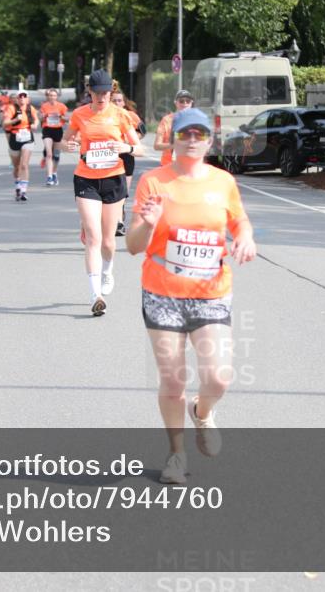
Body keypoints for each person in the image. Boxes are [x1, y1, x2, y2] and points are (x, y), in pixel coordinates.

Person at [125, 107, 256, 484]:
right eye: (186, 134)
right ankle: (176, 456)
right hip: (162, 294)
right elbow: (134, 246)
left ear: (210, 140)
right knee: (173, 381)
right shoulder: (154, 182)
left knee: (219, 377)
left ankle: (203, 410)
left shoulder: (222, 182)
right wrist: (147, 225)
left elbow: (238, 219)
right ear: (175, 139)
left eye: (201, 134)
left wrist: (245, 236)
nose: (194, 140)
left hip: (211, 294)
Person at [61, 69, 143, 316]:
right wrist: (69, 145)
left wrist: (125, 147)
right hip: (86, 178)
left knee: (108, 241)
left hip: (113, 179)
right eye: (96, 93)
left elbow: (139, 149)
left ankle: (107, 272)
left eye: (105, 92)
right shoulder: (79, 115)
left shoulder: (121, 115)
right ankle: (95, 294)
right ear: (89, 92)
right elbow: (65, 142)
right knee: (93, 238)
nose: (100, 97)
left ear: (111, 92)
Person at [111, 88, 146, 236]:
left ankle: (119, 220)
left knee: (123, 191)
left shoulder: (130, 115)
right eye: (114, 100)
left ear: (124, 102)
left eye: (120, 100)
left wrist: (129, 142)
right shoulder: (106, 115)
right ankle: (116, 220)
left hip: (127, 155)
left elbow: (142, 131)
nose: (117, 103)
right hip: (110, 156)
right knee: (113, 189)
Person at [5, 91, 39, 201]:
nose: (22, 99)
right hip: (15, 137)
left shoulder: (30, 108)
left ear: (28, 99)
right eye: (20, 97)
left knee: (24, 164)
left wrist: (35, 125)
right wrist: (16, 120)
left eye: (25, 97)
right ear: (17, 99)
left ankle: (24, 191)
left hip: (28, 138)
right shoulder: (11, 108)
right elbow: (5, 123)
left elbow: (36, 119)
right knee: (17, 166)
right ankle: (18, 186)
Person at [153, 89, 194, 166]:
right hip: (168, 166)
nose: (185, 103)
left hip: (189, 167)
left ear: (191, 103)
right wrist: (174, 145)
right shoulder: (166, 120)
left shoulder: (197, 121)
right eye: (181, 101)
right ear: (176, 103)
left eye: (188, 101)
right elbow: (156, 146)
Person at [39, 88, 68, 186]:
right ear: (48, 97)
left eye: (54, 95)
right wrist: (44, 116)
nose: (52, 97)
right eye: (50, 95)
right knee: (49, 154)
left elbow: (67, 119)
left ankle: (54, 172)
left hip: (58, 130)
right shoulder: (44, 106)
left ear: (57, 97)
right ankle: (49, 177)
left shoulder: (62, 106)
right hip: (47, 130)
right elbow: (40, 118)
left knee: (56, 156)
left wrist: (60, 116)